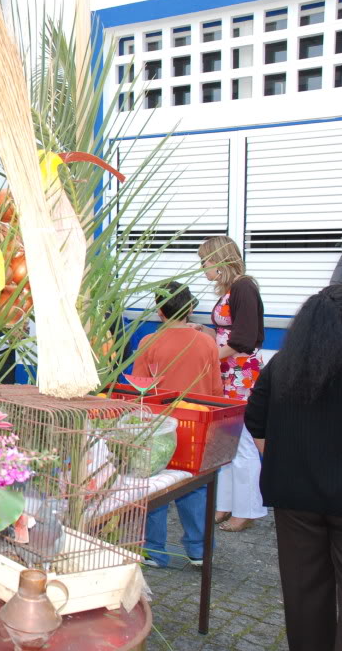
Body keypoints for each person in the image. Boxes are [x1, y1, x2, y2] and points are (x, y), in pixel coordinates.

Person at [245, 285, 342, 651]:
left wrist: (289, 457)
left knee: (304, 594)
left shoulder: (284, 365)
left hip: (294, 498)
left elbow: (255, 419)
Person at [132, 282, 221, 568]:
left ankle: (155, 551)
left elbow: (140, 391)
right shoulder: (207, 342)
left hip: (159, 425)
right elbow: (216, 389)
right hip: (196, 424)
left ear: (159, 310)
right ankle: (198, 550)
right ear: (191, 307)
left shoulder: (148, 343)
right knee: (194, 486)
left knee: (156, 486)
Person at [197, 236, 266, 533]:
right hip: (228, 372)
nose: (202, 268)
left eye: (205, 261)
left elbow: (243, 339)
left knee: (245, 442)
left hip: (240, 375)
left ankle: (247, 508)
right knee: (224, 440)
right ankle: (225, 504)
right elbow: (229, 334)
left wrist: (210, 357)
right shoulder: (233, 289)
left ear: (219, 260)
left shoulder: (243, 287)